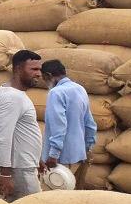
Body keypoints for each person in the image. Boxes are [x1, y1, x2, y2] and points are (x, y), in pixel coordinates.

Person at [0, 50, 44, 201]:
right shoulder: (12, 97)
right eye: (33, 69)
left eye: (39, 69)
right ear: (18, 69)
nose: (39, 74)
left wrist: (37, 159)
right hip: (18, 169)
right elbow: (3, 137)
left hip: (23, 165)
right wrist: (6, 174)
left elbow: (21, 132)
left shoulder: (16, 93)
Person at [40, 60, 96, 189]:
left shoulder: (56, 93)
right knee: (74, 193)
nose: (44, 82)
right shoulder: (79, 89)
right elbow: (89, 123)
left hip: (60, 158)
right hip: (78, 154)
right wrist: (88, 147)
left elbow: (58, 126)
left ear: (48, 75)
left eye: (44, 78)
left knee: (55, 195)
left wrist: (53, 155)